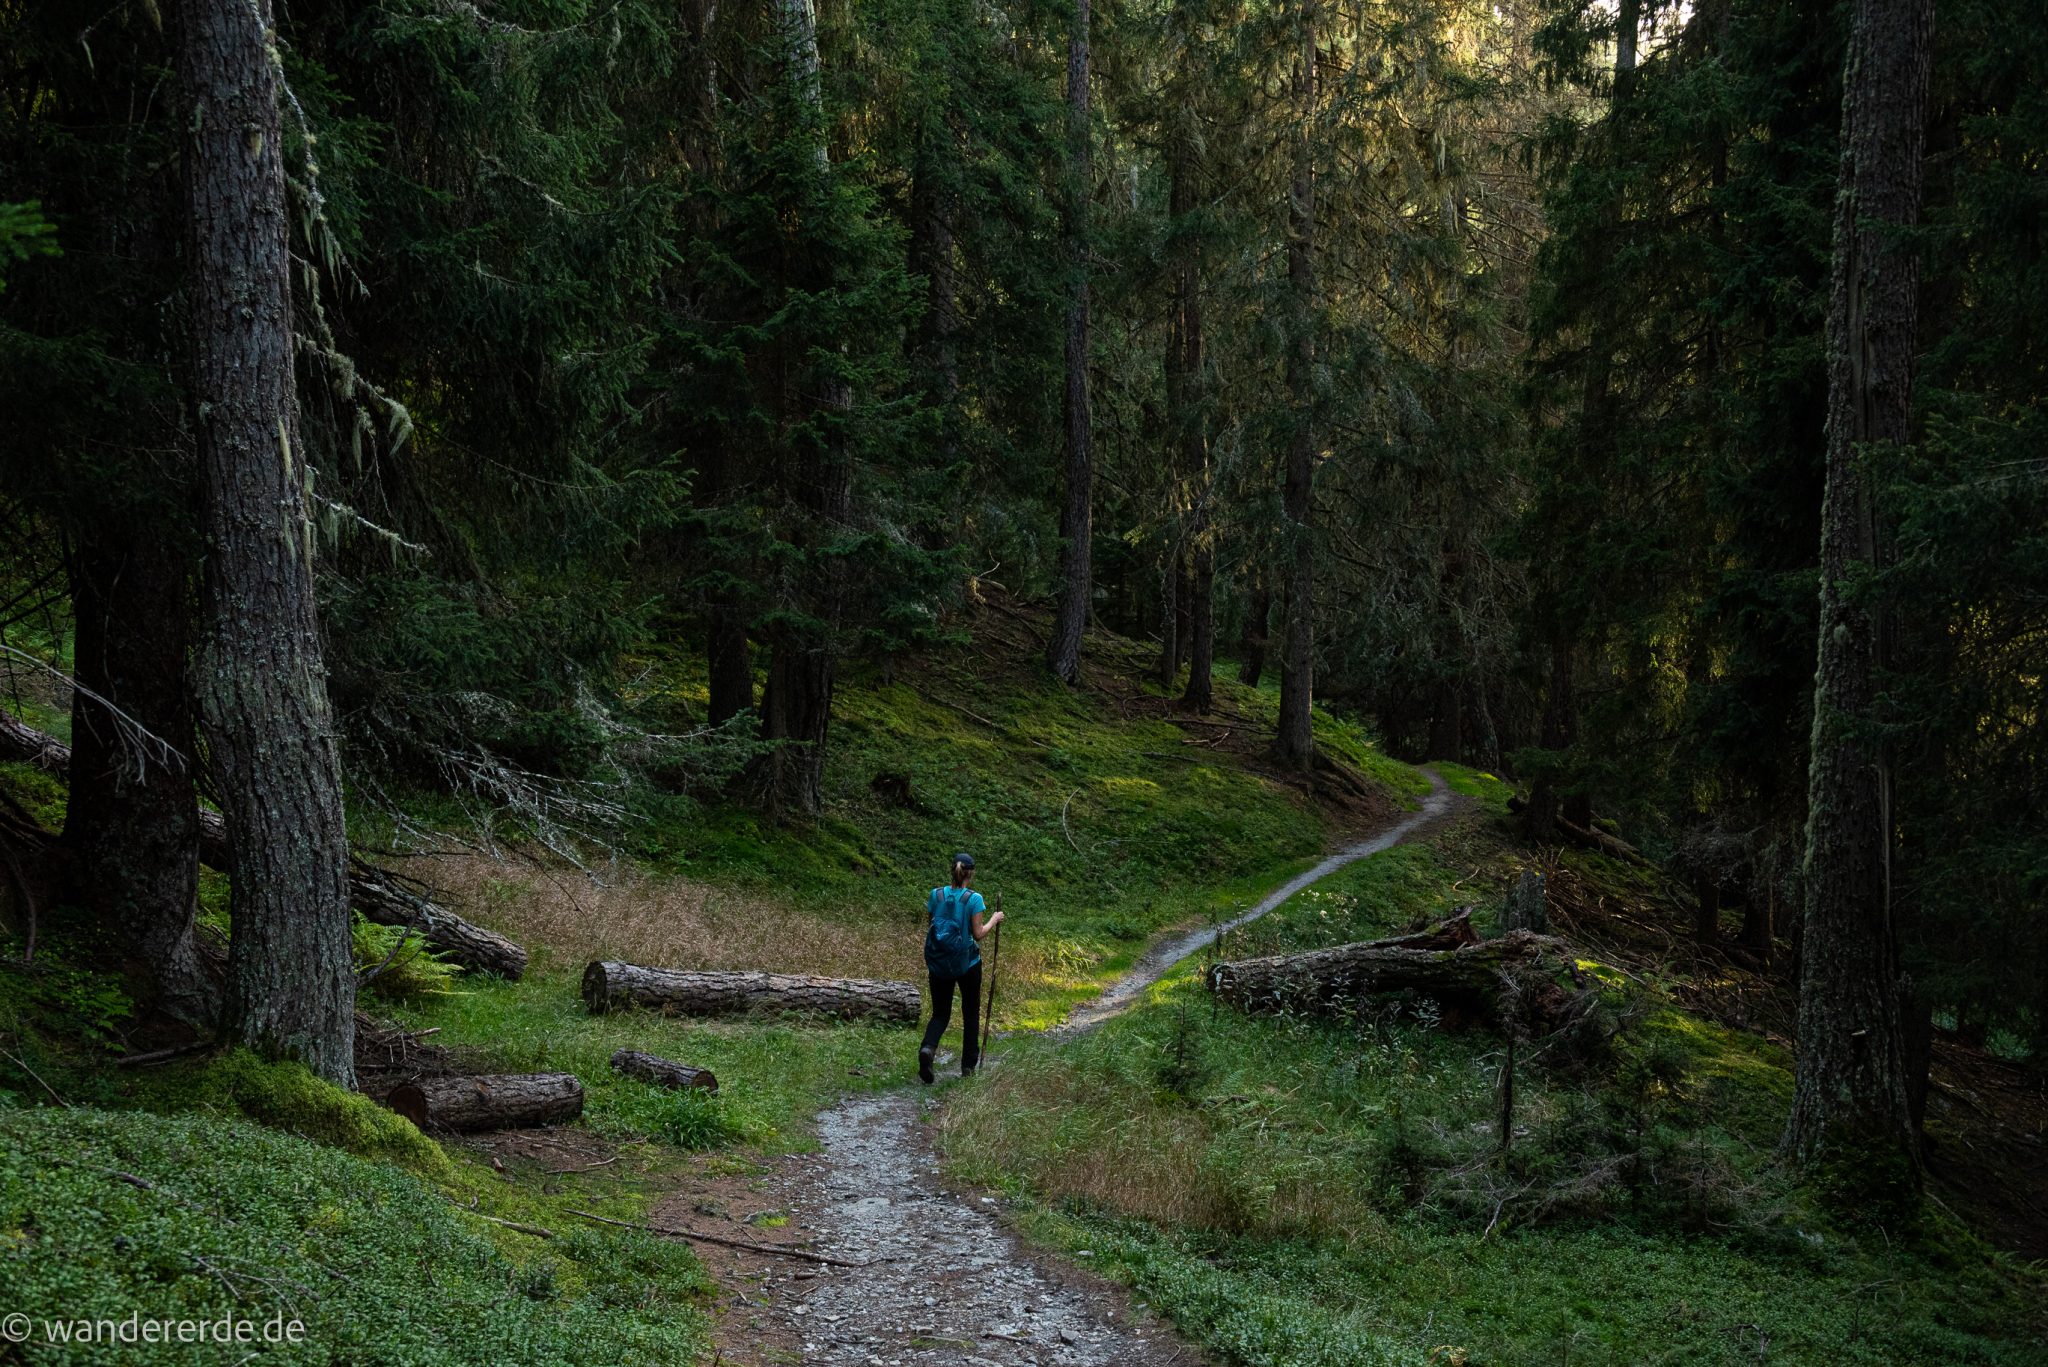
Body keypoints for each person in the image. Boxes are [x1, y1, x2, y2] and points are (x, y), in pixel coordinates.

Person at [918, 851, 1003, 1083]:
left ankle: (927, 1049)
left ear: (952, 871)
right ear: (971, 874)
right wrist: (994, 920)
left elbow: (933, 927)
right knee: (970, 1013)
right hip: (967, 964)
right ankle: (967, 1067)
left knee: (940, 1013)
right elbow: (978, 934)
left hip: (939, 962)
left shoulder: (935, 895)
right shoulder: (973, 899)